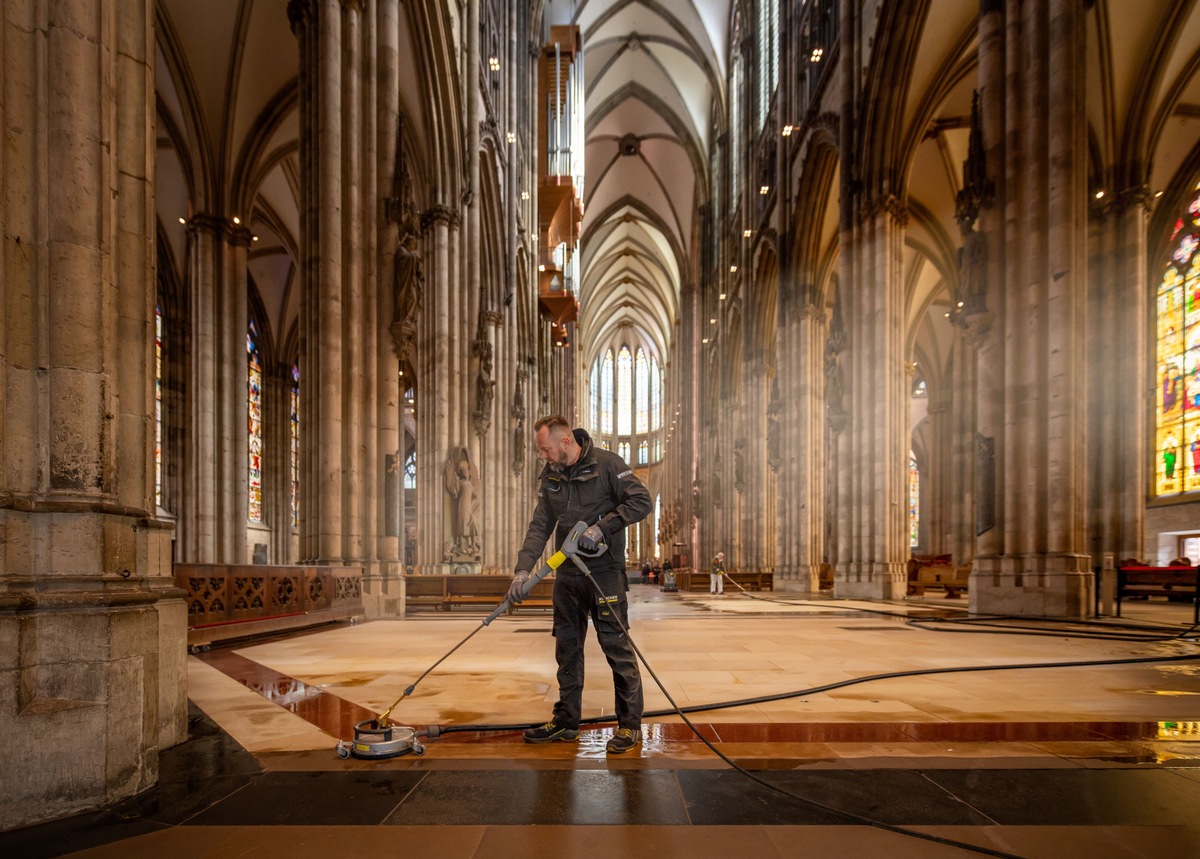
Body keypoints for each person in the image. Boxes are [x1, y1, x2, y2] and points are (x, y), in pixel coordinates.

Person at [507, 415, 652, 754]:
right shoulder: (552, 475)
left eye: (545, 449)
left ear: (565, 443)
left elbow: (641, 501)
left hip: (604, 574)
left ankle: (630, 726)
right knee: (567, 651)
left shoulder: (607, 465)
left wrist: (603, 527)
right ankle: (566, 721)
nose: (543, 456)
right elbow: (540, 526)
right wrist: (522, 571)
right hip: (568, 575)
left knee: (616, 649)